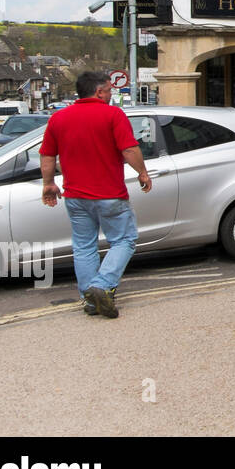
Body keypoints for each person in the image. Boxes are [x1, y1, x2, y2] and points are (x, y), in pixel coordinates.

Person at [39, 71, 152, 318]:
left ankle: (90, 301)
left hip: (75, 196)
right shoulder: (112, 114)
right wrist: (142, 172)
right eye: (109, 90)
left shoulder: (58, 118)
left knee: (83, 246)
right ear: (99, 92)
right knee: (124, 240)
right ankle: (101, 285)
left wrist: (48, 183)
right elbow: (129, 149)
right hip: (109, 194)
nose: (111, 94)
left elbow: (47, 155)